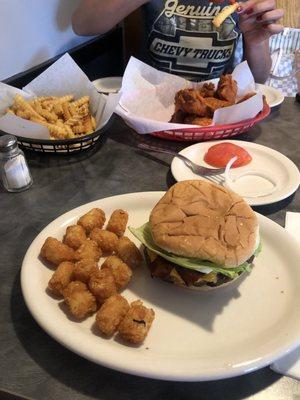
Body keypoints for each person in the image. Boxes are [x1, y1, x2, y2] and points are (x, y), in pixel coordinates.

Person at [72, 0, 284, 83]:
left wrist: (254, 42)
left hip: (220, 108)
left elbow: (258, 79)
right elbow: (82, 25)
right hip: (149, 105)